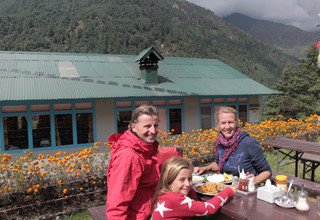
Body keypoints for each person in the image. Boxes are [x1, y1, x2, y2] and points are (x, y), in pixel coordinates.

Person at [106, 105, 161, 219]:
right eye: (147, 126)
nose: (153, 131)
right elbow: (117, 203)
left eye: (155, 125)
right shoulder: (129, 156)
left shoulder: (145, 148)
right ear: (133, 126)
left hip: (150, 210)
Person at [194, 106, 271, 186]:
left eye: (230, 122)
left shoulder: (249, 143)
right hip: (225, 188)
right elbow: (218, 164)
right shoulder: (220, 142)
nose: (227, 127)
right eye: (223, 123)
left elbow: (267, 172)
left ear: (237, 122)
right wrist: (204, 168)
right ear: (218, 125)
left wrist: (254, 180)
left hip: (245, 190)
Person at [151, 157, 237, 220]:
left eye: (189, 179)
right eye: (182, 180)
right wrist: (228, 191)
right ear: (169, 181)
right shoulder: (176, 200)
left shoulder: (165, 194)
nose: (188, 184)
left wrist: (190, 189)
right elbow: (209, 208)